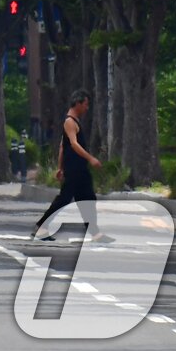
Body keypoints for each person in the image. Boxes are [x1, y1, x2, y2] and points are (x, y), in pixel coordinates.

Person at [33, 89, 111, 242]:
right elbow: (73, 145)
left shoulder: (74, 121)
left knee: (87, 198)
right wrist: (90, 158)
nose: (87, 108)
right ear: (78, 103)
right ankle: (41, 227)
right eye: (85, 104)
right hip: (75, 168)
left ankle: (94, 232)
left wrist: (60, 167)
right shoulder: (70, 122)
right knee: (64, 199)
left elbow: (63, 146)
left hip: (77, 168)